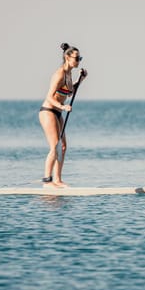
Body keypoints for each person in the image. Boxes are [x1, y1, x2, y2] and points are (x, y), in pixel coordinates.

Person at [39, 43, 87, 188]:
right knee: (55, 147)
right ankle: (47, 181)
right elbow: (49, 97)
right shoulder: (60, 73)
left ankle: (57, 180)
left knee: (63, 146)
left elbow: (68, 92)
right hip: (48, 111)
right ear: (67, 57)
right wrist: (62, 106)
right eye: (77, 58)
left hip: (58, 112)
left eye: (80, 58)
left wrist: (80, 80)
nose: (78, 61)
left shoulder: (69, 74)